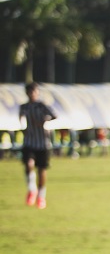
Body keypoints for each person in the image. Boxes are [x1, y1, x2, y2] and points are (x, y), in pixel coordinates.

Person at [18, 82, 57, 210]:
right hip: (29, 141)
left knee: (41, 171)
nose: (32, 94)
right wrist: (23, 128)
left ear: (37, 92)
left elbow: (54, 115)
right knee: (29, 164)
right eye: (29, 91)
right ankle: (32, 189)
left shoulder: (42, 106)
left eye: (34, 91)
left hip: (42, 143)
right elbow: (21, 118)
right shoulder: (24, 107)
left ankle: (41, 196)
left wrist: (42, 122)